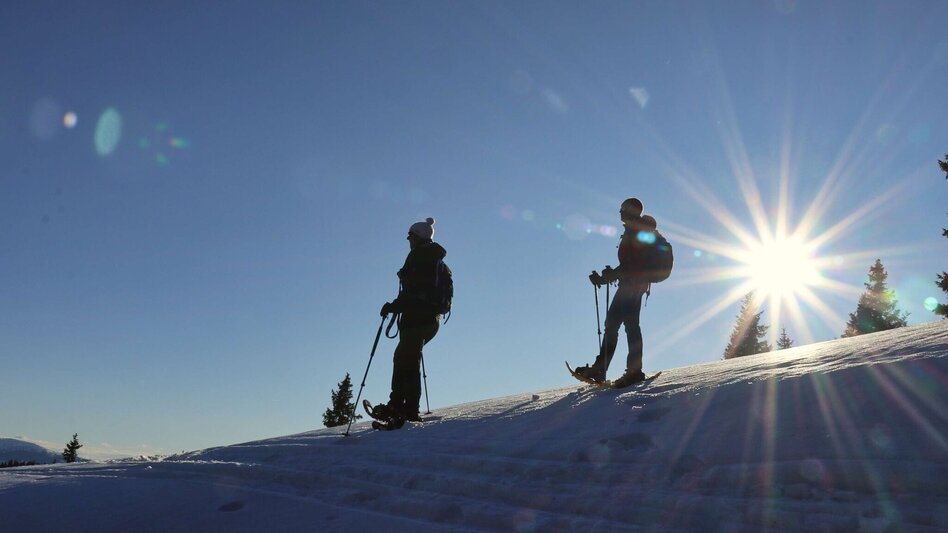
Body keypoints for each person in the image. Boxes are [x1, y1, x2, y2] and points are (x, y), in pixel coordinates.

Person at [574, 198, 652, 388]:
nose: (620, 212)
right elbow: (627, 265)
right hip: (627, 285)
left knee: (630, 325)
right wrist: (605, 277)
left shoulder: (638, 232)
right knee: (612, 325)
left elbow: (634, 264)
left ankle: (634, 371)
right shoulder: (631, 231)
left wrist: (609, 276)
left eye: (623, 209)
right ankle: (601, 369)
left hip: (634, 285)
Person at [376, 217, 446, 423]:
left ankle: (406, 408)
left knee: (406, 359)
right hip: (431, 319)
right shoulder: (436, 260)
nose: (409, 240)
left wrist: (394, 306)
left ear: (419, 237)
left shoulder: (419, 257)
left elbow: (414, 292)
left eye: (411, 236)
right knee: (406, 357)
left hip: (417, 318)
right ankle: (400, 404)